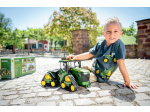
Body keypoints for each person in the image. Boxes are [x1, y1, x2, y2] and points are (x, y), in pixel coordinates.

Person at [66, 17, 139, 89]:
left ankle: (67, 78)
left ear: (120, 33)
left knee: (81, 77)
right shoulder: (100, 44)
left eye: (115, 31)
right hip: (92, 65)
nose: (112, 34)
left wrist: (127, 81)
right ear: (104, 33)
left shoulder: (118, 44)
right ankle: (65, 71)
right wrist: (75, 57)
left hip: (100, 76)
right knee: (75, 69)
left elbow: (121, 64)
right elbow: (89, 54)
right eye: (108, 31)